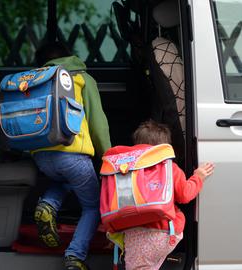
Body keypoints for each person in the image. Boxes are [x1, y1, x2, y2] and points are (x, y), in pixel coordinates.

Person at [32, 42, 111, 270]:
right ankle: (75, 256)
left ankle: (48, 203)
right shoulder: (81, 78)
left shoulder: (36, 78)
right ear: (70, 56)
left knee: (65, 180)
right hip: (73, 155)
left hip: (42, 156)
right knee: (93, 206)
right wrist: (108, 156)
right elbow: (98, 124)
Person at [120, 120, 213, 270]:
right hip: (164, 232)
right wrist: (198, 177)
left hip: (133, 234)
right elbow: (184, 195)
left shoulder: (125, 170)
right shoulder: (170, 168)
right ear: (165, 148)